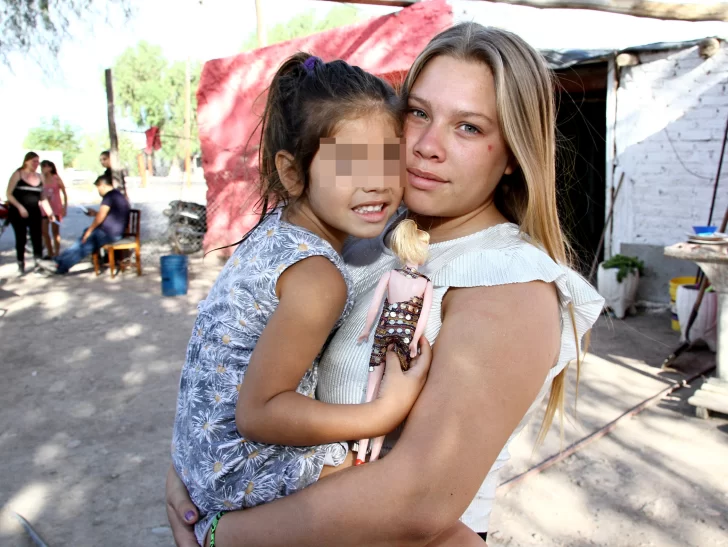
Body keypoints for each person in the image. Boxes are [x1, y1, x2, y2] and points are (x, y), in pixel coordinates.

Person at [166, 23, 605, 547]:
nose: (426, 146)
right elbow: (243, 364)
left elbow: (417, 501)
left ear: (512, 155)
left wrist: (217, 533)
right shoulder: (363, 233)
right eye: (418, 113)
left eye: (468, 128)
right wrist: (195, 467)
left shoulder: (511, 284)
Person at [170, 53, 429, 547]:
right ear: (292, 173)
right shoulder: (317, 277)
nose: (377, 181)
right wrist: (382, 413)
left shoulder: (274, 231)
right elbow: (260, 413)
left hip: (196, 455)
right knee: (401, 497)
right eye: (350, 163)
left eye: (389, 158)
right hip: (236, 467)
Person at [46, 174, 130, 274]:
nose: (98, 191)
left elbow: (101, 217)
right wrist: (94, 213)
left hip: (110, 233)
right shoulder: (117, 194)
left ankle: (62, 266)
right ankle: (58, 260)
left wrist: (90, 231)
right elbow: (108, 214)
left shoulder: (109, 196)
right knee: (81, 240)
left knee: (85, 246)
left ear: (102, 185)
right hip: (111, 231)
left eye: (98, 188)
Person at [5, 152, 53, 275]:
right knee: (21, 238)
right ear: (26, 161)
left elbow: (42, 197)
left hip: (34, 211)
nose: (36, 164)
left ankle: (38, 265)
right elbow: (9, 194)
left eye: (38, 161)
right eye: (34, 161)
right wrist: (20, 207)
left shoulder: (40, 177)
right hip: (18, 211)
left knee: (37, 237)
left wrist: (49, 212)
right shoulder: (18, 174)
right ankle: (21, 264)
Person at [40, 160, 68, 258]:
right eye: (43, 166)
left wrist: (65, 207)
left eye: (47, 166)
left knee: (55, 231)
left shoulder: (56, 178)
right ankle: (49, 251)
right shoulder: (40, 178)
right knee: (44, 231)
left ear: (51, 168)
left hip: (56, 207)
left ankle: (57, 252)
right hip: (43, 208)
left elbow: (64, 193)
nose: (45, 169)